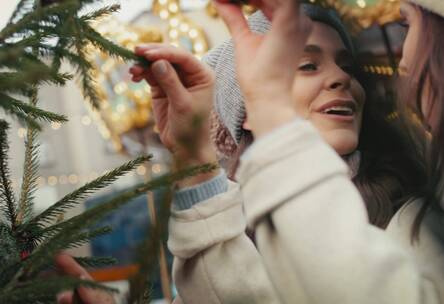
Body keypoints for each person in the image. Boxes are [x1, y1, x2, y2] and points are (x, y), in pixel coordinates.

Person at [127, 0, 444, 303]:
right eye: (308, 65)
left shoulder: (417, 220)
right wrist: (194, 161)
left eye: (347, 66)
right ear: (247, 112)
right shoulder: (234, 232)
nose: (341, 77)